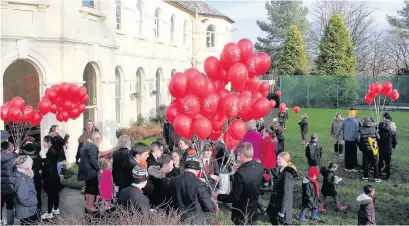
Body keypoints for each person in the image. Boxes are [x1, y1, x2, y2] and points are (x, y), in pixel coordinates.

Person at [214, 143, 264, 225]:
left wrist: (218, 196)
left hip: (242, 212)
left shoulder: (240, 174)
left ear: (241, 155)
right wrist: (241, 167)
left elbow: (234, 197)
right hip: (253, 209)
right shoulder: (260, 166)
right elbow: (251, 177)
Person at [167, 151, 215, 224]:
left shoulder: (173, 181)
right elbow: (209, 207)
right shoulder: (199, 184)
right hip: (196, 221)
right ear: (198, 170)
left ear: (185, 168)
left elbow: (169, 201)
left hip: (177, 220)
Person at [266, 152, 298, 225]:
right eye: (277, 159)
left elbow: (286, 194)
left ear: (285, 160)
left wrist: (282, 212)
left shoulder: (287, 175)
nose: (277, 161)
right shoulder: (281, 171)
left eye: (279, 159)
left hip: (282, 210)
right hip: (277, 205)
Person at [78, 131, 102, 212]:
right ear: (97, 139)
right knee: (93, 187)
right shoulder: (93, 146)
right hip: (90, 171)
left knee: (88, 187)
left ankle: (87, 204)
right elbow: (93, 160)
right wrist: (99, 169)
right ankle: (90, 206)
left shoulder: (86, 145)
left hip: (84, 170)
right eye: (100, 139)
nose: (100, 141)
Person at [40, 136, 63, 220]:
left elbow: (49, 164)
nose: (42, 143)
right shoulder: (53, 149)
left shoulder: (51, 151)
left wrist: (43, 157)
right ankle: (55, 209)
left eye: (44, 141)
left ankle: (49, 213)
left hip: (50, 176)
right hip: (54, 174)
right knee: (55, 192)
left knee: (50, 194)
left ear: (48, 142)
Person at [13, 155, 39, 225]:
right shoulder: (22, 179)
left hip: (28, 210)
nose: (32, 164)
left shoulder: (25, 174)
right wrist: (34, 202)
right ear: (25, 165)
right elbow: (22, 198)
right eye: (30, 163)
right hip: (27, 211)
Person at [20, 139, 43, 212]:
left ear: (25, 150)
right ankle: (38, 209)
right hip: (36, 179)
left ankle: (28, 211)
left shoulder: (22, 159)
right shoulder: (38, 159)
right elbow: (40, 168)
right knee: (38, 195)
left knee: (27, 196)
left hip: (25, 180)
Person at [356, 117, 381, 182]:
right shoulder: (373, 128)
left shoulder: (360, 129)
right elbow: (378, 137)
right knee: (375, 162)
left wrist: (361, 145)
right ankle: (376, 177)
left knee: (366, 162)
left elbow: (357, 138)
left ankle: (365, 176)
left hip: (365, 148)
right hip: (374, 147)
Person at [1, 130, 16, 225]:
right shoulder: (14, 158)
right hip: (10, 187)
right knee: (10, 207)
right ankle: (10, 224)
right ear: (8, 148)